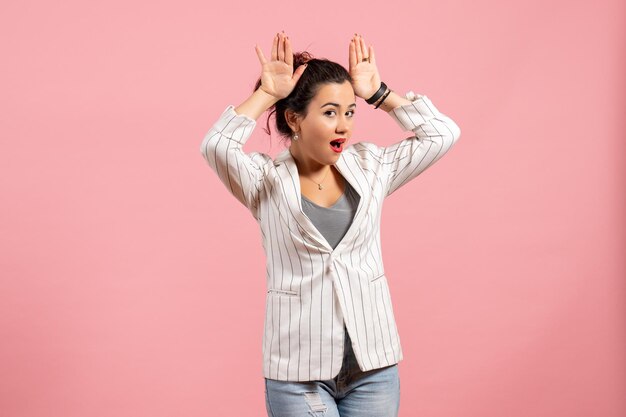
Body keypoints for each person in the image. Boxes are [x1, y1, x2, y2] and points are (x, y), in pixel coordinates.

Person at [200, 31, 461, 417]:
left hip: (373, 367)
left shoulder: (372, 167)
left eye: (350, 111)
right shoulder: (263, 180)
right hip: (297, 371)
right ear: (295, 119)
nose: (344, 126)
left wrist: (379, 94)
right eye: (329, 113)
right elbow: (216, 146)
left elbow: (443, 134)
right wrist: (267, 93)